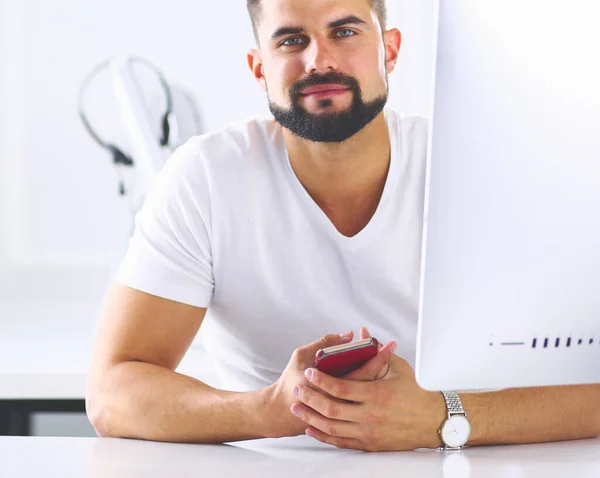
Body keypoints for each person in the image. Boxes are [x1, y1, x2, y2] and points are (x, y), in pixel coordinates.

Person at [86, 0, 600, 452]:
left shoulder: (483, 167)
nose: (320, 60)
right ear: (258, 67)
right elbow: (111, 393)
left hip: (461, 457)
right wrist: (266, 410)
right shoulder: (207, 177)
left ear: (390, 51)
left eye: (345, 31)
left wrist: (440, 417)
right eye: (291, 40)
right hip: (274, 466)